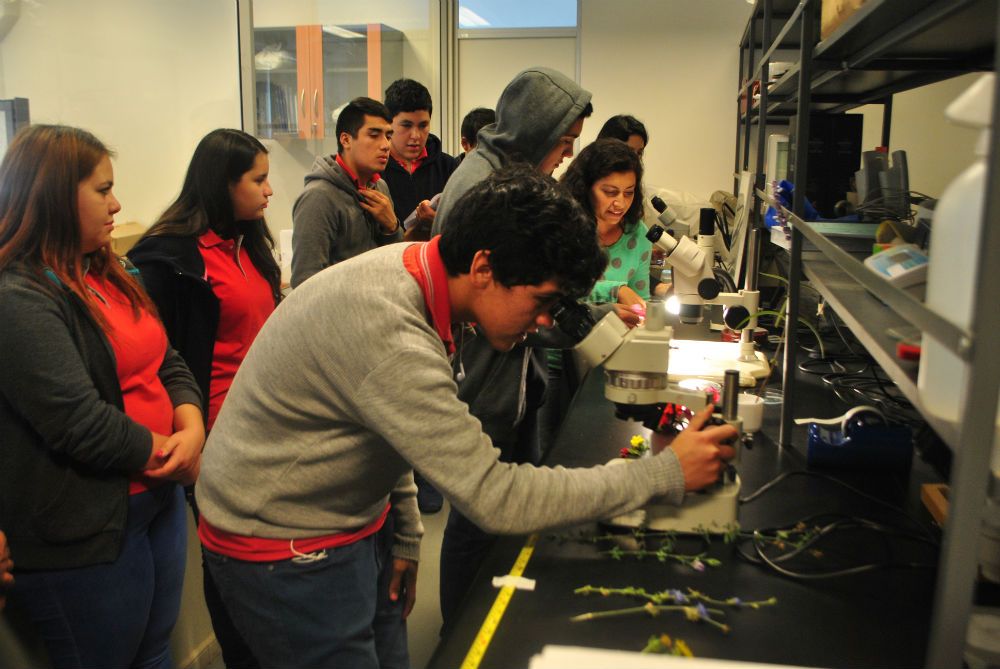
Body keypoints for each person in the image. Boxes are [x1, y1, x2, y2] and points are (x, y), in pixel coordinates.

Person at [195, 165, 737, 668]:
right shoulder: (393, 332)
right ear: (483, 267)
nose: (544, 321)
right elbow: (493, 496)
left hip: (353, 520)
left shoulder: (423, 279)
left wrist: (402, 533)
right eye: (542, 301)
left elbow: (391, 427)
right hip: (283, 545)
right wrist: (661, 474)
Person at [0, 124, 203, 669]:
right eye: (102, 190)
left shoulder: (111, 268)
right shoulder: (19, 296)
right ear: (53, 196)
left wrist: (191, 425)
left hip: (154, 498)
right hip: (86, 526)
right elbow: (77, 421)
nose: (117, 204)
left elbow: (167, 358)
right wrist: (172, 455)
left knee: (155, 649)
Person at [430, 66, 619, 628]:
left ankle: (484, 620)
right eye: (562, 143)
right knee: (474, 519)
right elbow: (481, 300)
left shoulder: (508, 178)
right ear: (536, 132)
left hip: (507, 378)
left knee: (497, 521)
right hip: (481, 385)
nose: (564, 157)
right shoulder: (480, 189)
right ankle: (458, 634)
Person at [129, 128, 282, 669]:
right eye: (259, 180)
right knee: (230, 563)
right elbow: (161, 358)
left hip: (267, 426)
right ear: (223, 183)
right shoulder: (170, 258)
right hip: (216, 434)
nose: (269, 191)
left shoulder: (249, 240)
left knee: (269, 559)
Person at [290, 96, 401, 287]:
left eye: (388, 136)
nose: (385, 145)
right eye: (374, 135)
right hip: (341, 313)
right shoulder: (318, 197)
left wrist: (392, 228)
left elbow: (394, 260)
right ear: (346, 139)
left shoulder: (380, 187)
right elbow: (304, 282)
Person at [380, 78, 457, 242]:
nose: (416, 136)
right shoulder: (375, 171)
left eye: (423, 126)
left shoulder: (450, 168)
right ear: (388, 123)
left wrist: (438, 223)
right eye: (406, 126)